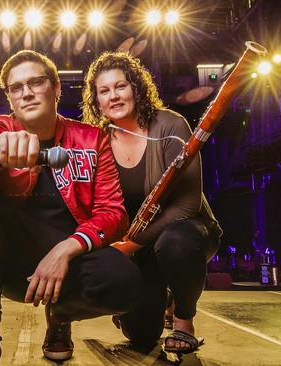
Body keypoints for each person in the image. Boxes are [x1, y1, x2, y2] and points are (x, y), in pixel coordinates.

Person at [0, 50, 143, 366]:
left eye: (36, 82)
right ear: (10, 99)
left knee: (126, 282)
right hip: (12, 267)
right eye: (17, 88)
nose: (26, 92)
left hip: (66, 268)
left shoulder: (92, 139)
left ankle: (59, 316)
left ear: (56, 88)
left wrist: (65, 251)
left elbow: (114, 212)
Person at [82, 51, 222, 354]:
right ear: (96, 100)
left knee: (176, 241)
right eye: (104, 91)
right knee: (141, 336)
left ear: (136, 87)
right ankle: (161, 301)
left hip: (188, 234)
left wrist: (130, 246)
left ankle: (184, 321)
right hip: (138, 247)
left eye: (120, 86)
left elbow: (186, 206)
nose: (114, 96)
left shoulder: (170, 125)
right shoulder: (97, 139)